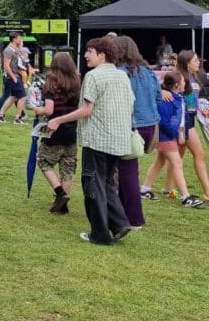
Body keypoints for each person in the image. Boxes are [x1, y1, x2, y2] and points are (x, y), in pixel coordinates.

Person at [48, 37, 134, 245]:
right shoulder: (123, 76)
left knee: (93, 186)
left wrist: (58, 119)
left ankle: (100, 234)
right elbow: (131, 104)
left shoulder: (94, 76)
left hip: (98, 140)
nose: (86, 55)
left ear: (102, 55)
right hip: (119, 140)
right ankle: (120, 223)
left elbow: (87, 110)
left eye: (90, 51)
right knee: (107, 184)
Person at [113, 35, 162, 228]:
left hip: (130, 126)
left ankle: (134, 218)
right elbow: (158, 98)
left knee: (128, 172)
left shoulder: (120, 73)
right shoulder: (148, 73)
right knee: (126, 171)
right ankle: (123, 211)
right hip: (149, 126)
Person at [140, 71, 204, 207]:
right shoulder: (167, 100)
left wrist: (183, 134)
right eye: (183, 81)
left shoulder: (178, 97)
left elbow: (182, 119)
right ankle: (186, 197)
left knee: (159, 162)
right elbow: (163, 121)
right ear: (176, 85)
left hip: (169, 137)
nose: (185, 83)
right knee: (177, 163)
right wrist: (175, 133)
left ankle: (145, 189)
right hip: (166, 137)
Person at [32, 52, 80, 214]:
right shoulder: (77, 82)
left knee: (43, 161)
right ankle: (63, 205)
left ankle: (60, 194)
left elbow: (49, 109)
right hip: (72, 131)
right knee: (67, 168)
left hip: (54, 131)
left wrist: (37, 110)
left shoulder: (51, 83)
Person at [162, 50, 209, 200]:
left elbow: (193, 100)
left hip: (189, 120)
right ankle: (208, 192)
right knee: (199, 155)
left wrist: (202, 107)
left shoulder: (195, 77)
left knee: (177, 155)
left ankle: (167, 188)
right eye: (195, 60)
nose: (198, 62)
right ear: (187, 63)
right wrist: (162, 92)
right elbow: (162, 87)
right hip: (183, 123)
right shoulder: (179, 77)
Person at [0, 32, 27, 124]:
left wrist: (21, 45)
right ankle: (17, 118)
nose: (20, 40)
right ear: (14, 39)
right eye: (19, 38)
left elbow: (22, 58)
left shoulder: (14, 49)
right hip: (12, 77)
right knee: (23, 97)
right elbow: (6, 66)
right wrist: (13, 77)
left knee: (14, 97)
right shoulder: (8, 50)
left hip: (16, 75)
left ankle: (0, 115)